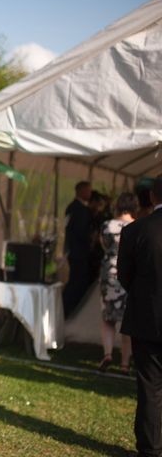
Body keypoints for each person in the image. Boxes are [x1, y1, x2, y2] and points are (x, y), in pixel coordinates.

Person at [118, 175, 162, 457]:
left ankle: (151, 449)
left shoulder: (136, 230)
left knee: (149, 387)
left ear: (152, 198)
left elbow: (125, 277)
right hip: (147, 318)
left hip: (148, 318)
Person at [97, 192, 136, 373]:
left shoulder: (107, 226)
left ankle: (107, 354)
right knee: (128, 321)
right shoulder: (137, 227)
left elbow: (104, 246)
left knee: (108, 318)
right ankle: (125, 363)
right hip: (128, 275)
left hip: (109, 272)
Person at [62, 181, 93, 318]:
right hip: (79, 251)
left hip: (75, 250)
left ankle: (69, 308)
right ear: (81, 191)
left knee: (76, 280)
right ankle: (69, 308)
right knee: (77, 281)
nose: (90, 194)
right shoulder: (79, 209)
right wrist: (90, 239)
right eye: (88, 191)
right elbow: (81, 231)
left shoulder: (72, 207)